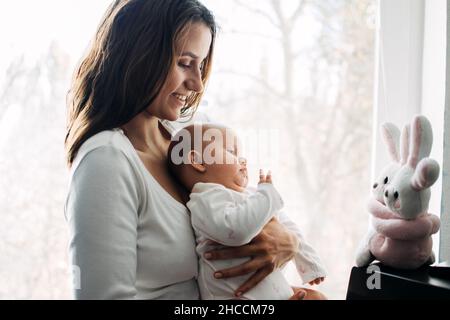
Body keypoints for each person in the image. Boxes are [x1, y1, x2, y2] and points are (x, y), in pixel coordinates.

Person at [65, 0, 314, 300]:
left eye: (201, 65)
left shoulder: (190, 135)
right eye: (185, 63)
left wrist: (286, 244)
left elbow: (253, 204)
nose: (197, 84)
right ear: (139, 55)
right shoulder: (106, 162)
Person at [167, 123, 327, 300]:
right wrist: (267, 197)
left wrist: (310, 263)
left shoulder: (250, 195)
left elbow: (288, 228)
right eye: (231, 151)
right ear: (197, 161)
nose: (243, 161)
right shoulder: (205, 199)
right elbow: (236, 231)